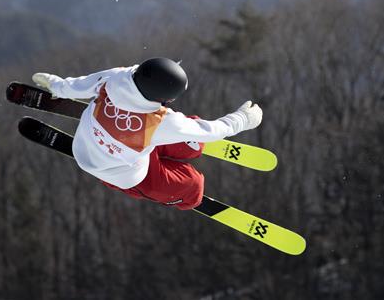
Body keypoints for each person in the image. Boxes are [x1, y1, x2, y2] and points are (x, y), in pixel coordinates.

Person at [31, 58, 263, 210]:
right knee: (193, 186)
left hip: (126, 146)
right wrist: (243, 119)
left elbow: (82, 85)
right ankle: (186, 195)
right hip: (125, 174)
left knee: (190, 139)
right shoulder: (160, 121)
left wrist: (57, 85)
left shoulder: (118, 77)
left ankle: (179, 151)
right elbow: (212, 131)